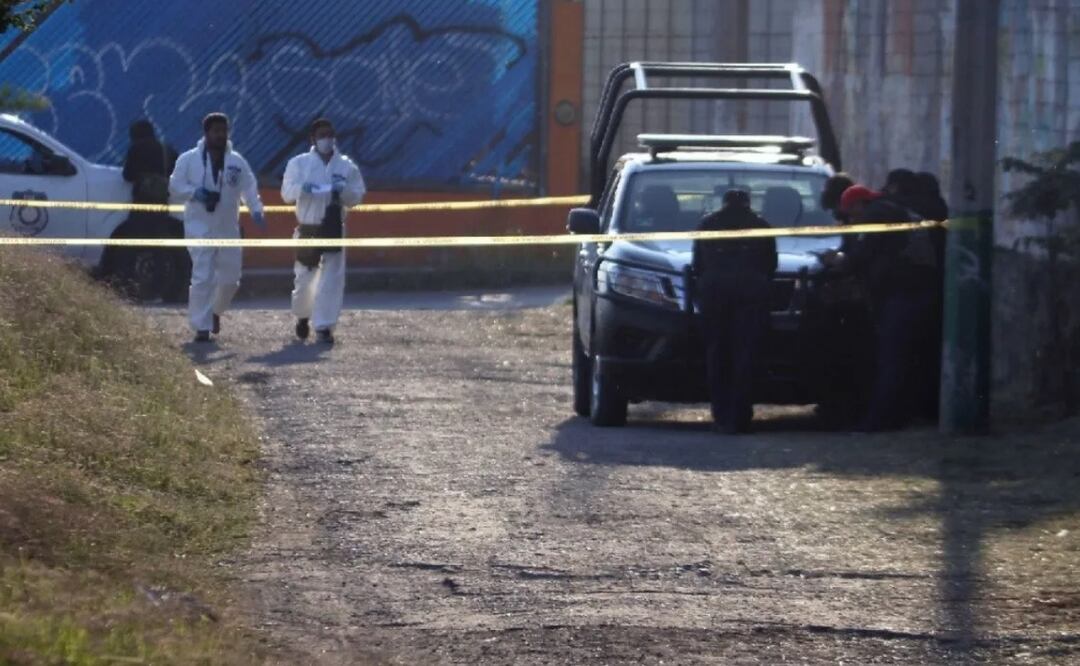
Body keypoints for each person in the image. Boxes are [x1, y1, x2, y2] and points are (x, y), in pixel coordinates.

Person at [826, 185, 939, 431]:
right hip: (914, 292)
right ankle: (899, 415)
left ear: (859, 204)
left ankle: (880, 420)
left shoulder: (876, 215)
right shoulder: (892, 209)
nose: (851, 219)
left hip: (901, 293)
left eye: (850, 212)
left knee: (891, 359)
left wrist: (838, 259)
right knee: (902, 358)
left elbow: (860, 255)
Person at [169, 112, 266, 343]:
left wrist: (255, 208)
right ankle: (201, 327)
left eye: (224, 131)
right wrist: (195, 193)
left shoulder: (236, 162)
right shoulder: (188, 159)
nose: (221, 135)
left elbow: (249, 187)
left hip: (228, 227)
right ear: (206, 133)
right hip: (199, 225)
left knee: (231, 279)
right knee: (202, 276)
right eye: (216, 131)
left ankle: (215, 311)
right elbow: (175, 186)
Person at [692, 189, 778, 434]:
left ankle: (721, 414)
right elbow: (771, 265)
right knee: (745, 353)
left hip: (714, 294)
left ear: (724, 203)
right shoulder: (761, 225)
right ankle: (741, 414)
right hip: (751, 294)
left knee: (717, 352)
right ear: (748, 204)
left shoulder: (707, 224)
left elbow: (698, 264)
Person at [281, 118, 366, 345]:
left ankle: (324, 326)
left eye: (330, 135)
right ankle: (302, 316)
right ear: (313, 139)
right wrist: (303, 188)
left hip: (333, 227)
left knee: (332, 280)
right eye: (322, 135)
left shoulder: (346, 166)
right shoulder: (299, 164)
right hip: (308, 227)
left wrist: (343, 191)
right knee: (304, 279)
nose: (327, 139)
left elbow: (357, 196)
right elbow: (287, 193)